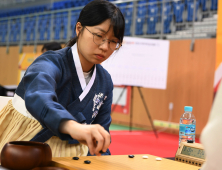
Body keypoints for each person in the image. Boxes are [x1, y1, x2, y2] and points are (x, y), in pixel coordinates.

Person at [0, 0, 125, 158]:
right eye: (99, 36)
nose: (105, 47)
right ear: (79, 29)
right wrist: (73, 127)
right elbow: (39, 96)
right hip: (27, 146)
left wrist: (103, 158)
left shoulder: (105, 81)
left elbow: (100, 137)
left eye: (113, 41)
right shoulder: (50, 62)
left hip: (74, 154)